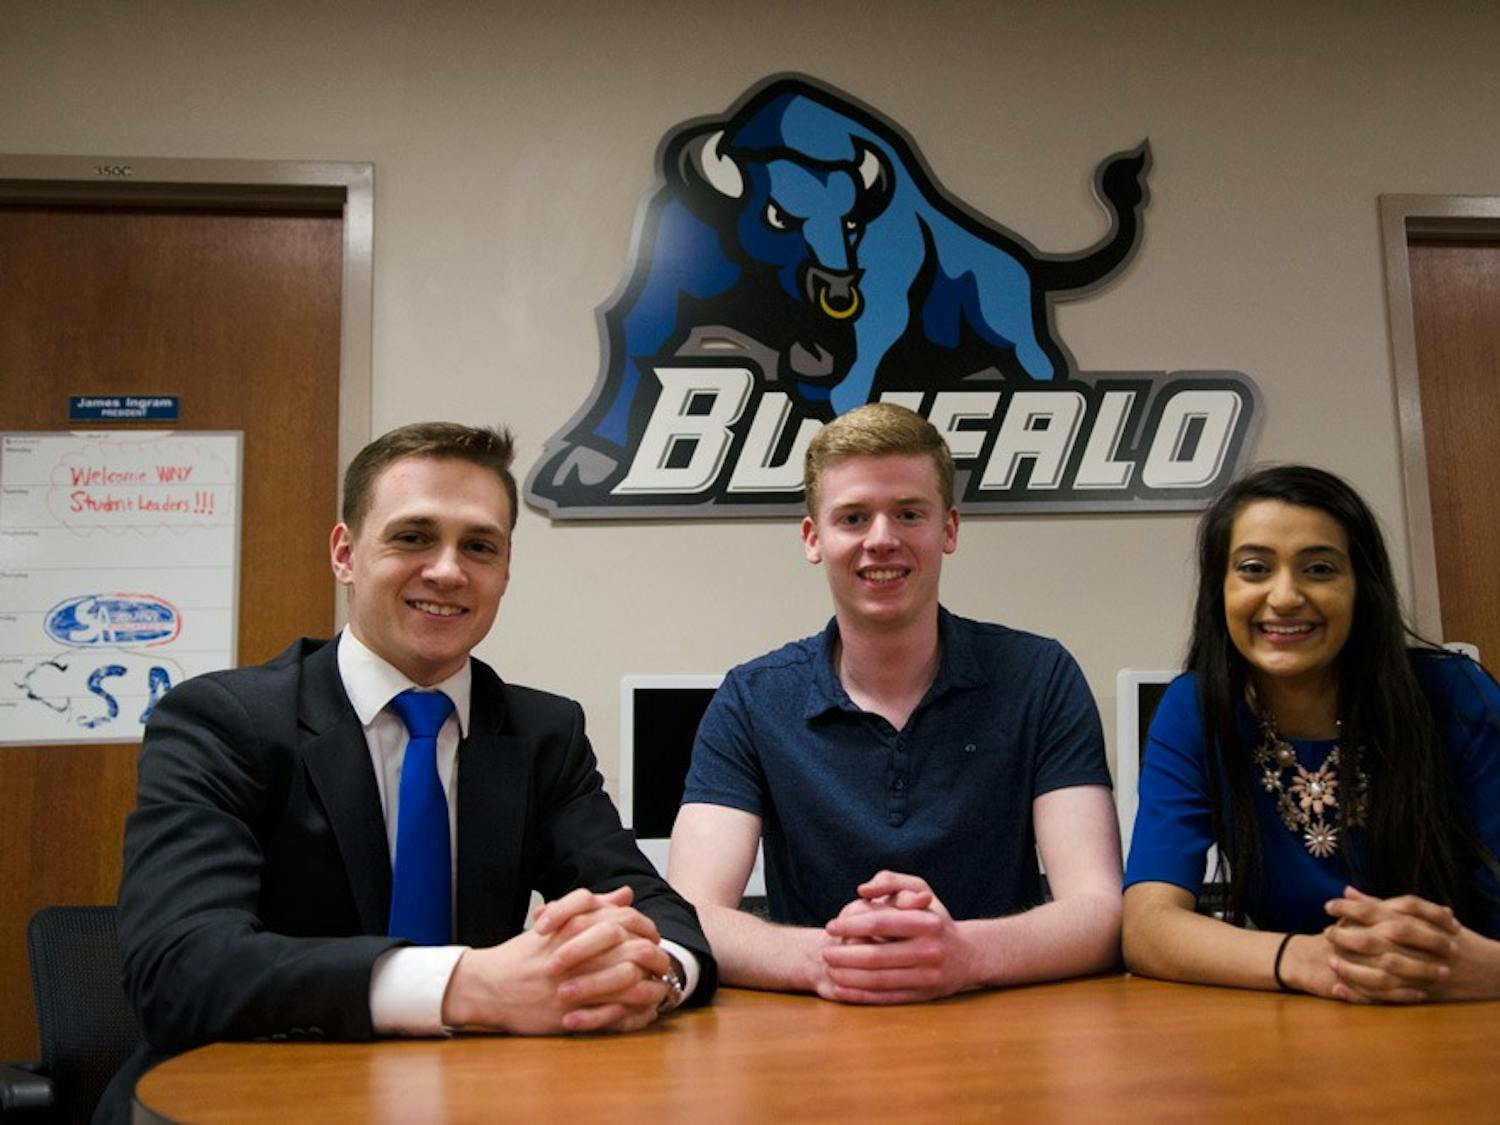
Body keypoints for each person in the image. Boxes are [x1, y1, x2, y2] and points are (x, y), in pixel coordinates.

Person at [101, 422, 715, 1120]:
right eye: (414, 536)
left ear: (505, 572)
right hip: (249, 1095)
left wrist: (649, 975)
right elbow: (178, 968)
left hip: (472, 1096)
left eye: (479, 546)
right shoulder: (223, 721)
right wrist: (472, 983)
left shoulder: (544, 733)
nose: (448, 570)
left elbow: (659, 912)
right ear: (345, 554)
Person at [668, 402, 1121, 1004]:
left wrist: (963, 954)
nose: (881, 540)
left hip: (1001, 1021)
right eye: (853, 517)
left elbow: (1099, 911)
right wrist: (832, 960)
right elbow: (689, 912)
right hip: (813, 1028)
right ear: (813, 538)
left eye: (908, 513)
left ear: (949, 529)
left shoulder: (1041, 678)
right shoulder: (753, 699)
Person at [1123, 464, 1500, 1002]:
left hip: (1464, 1012)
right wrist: (1306, 960)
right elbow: (1147, 929)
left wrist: (1480, 970)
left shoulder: (1457, 696)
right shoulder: (1196, 709)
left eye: (1319, 569)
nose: (1284, 597)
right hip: (1305, 1015)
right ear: (1220, 589)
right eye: (1254, 568)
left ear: (1361, 587)